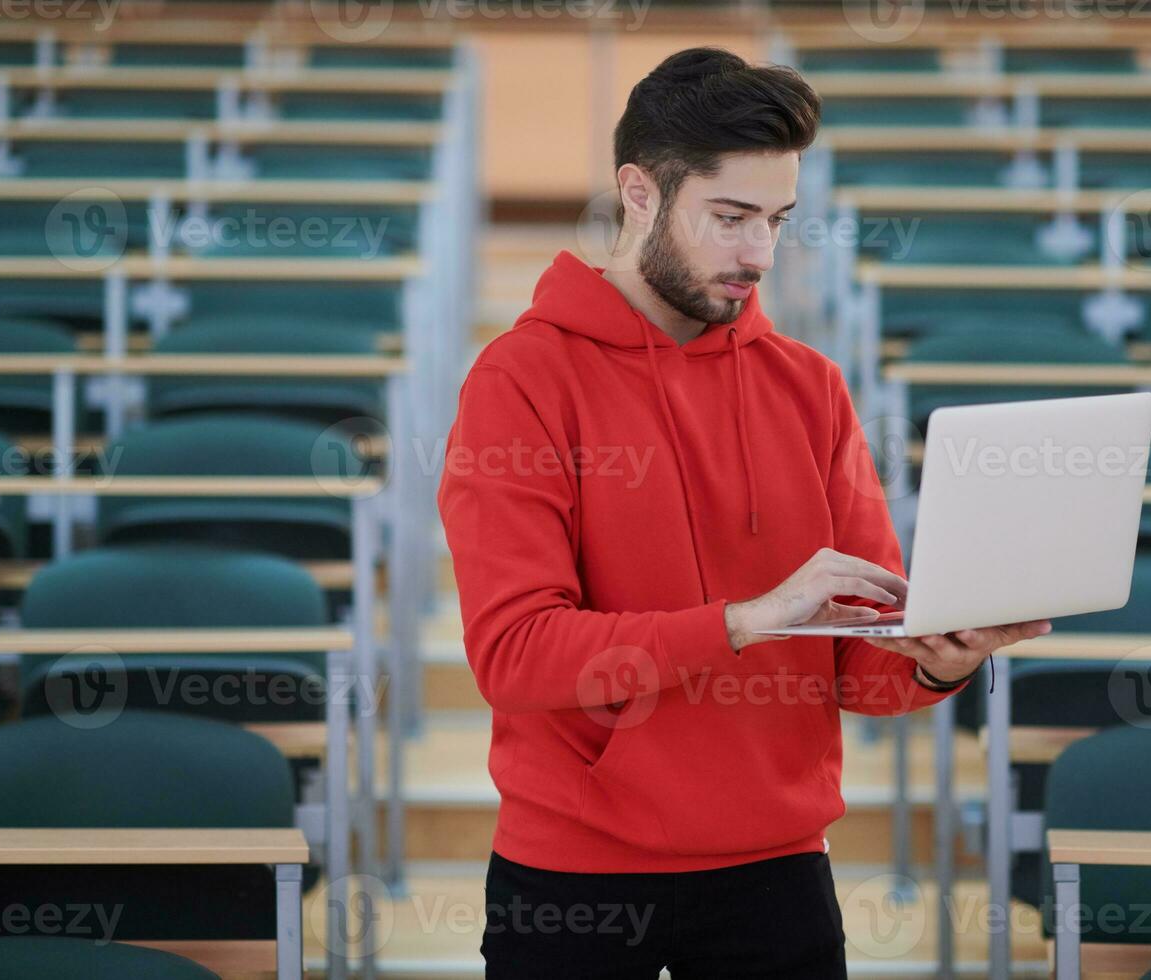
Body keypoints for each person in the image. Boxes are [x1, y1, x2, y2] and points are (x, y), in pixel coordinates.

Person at [438, 46, 1051, 979]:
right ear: (638, 193)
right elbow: (514, 655)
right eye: (729, 219)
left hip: (777, 875)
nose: (759, 253)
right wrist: (741, 623)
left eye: (777, 221)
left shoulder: (812, 389)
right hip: (575, 881)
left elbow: (860, 670)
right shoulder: (520, 380)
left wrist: (938, 662)